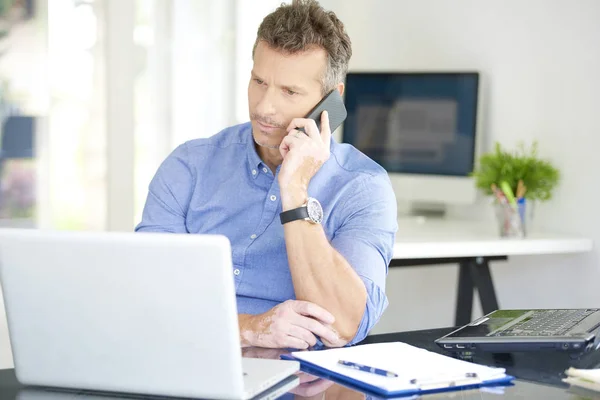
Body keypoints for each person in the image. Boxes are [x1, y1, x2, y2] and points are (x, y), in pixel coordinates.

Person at [136, 0, 397, 348]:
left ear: (331, 101)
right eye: (259, 82)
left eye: (289, 92)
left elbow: (343, 327)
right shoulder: (189, 166)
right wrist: (250, 328)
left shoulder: (362, 187)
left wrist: (296, 191)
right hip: (186, 359)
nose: (264, 107)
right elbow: (146, 296)